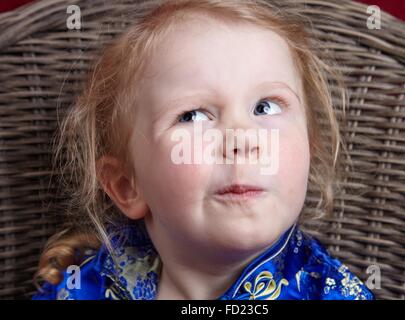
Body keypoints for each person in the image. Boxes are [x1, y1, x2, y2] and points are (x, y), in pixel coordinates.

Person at [33, 0, 374, 300]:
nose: (241, 140)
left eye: (266, 107)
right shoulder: (87, 288)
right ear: (127, 185)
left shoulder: (332, 294)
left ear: (309, 150)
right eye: (193, 116)